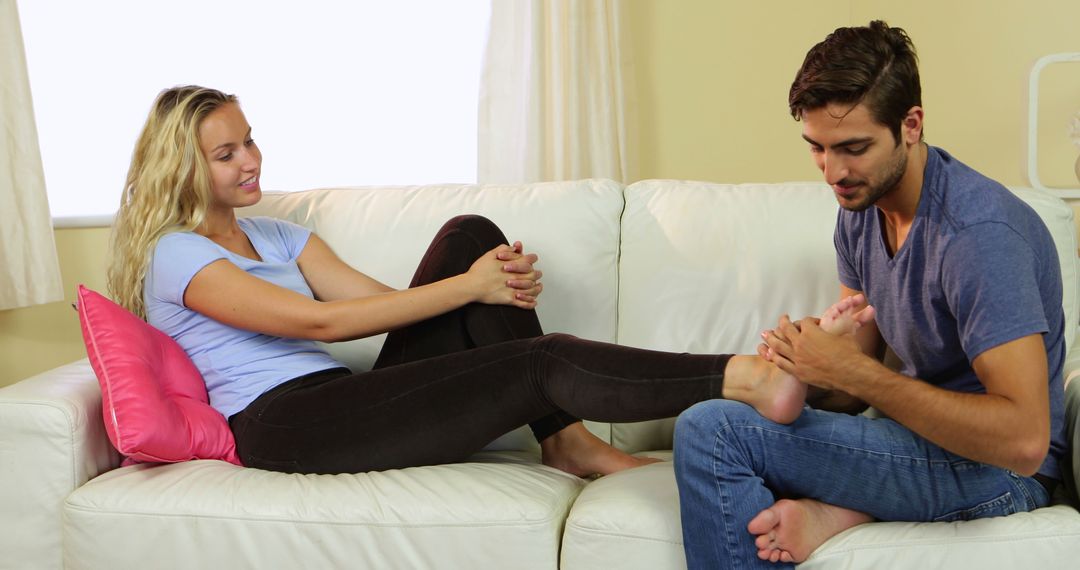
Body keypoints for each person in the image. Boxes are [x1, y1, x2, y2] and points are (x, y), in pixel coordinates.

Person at [108, 85, 820, 477]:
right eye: (227, 153)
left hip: (336, 397)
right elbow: (319, 324)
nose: (250, 161)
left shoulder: (279, 235)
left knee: (467, 235)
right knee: (538, 360)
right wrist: (473, 292)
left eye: (250, 140)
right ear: (188, 168)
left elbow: (376, 305)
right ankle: (741, 376)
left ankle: (563, 439)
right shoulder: (177, 253)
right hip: (282, 424)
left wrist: (476, 280)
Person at [673, 20, 1066, 569]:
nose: (833, 172)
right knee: (734, 411)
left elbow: (1024, 442)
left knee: (713, 432)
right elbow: (854, 385)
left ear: (910, 124)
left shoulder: (979, 237)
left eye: (853, 148)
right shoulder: (861, 213)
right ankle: (845, 511)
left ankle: (843, 511)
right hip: (912, 442)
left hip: (1001, 474)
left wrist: (853, 372)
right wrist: (811, 363)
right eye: (817, 148)